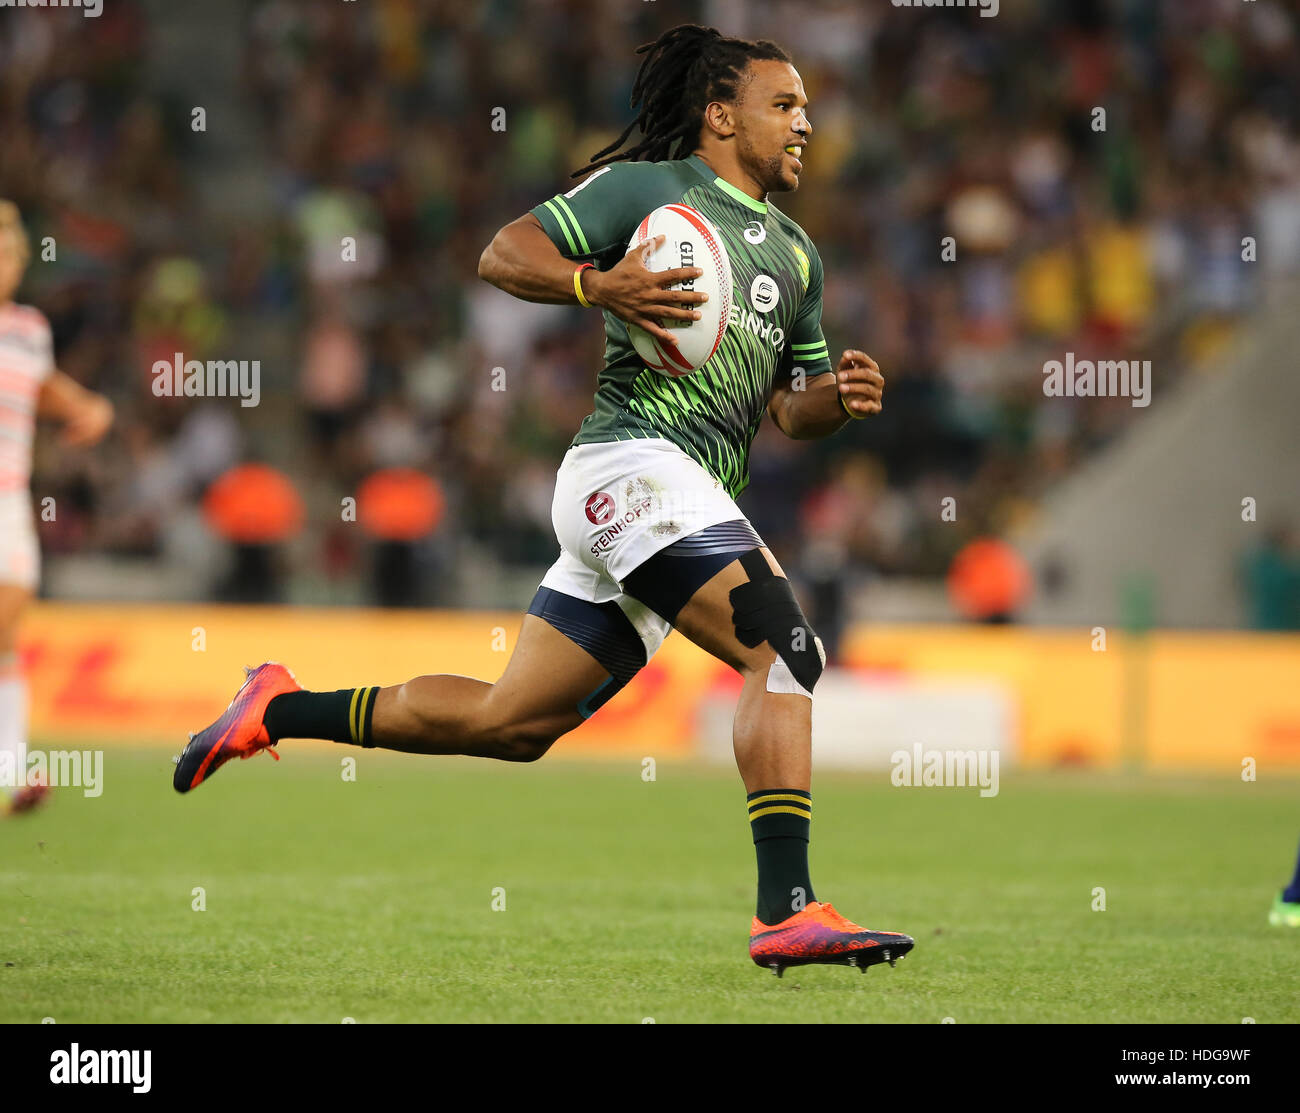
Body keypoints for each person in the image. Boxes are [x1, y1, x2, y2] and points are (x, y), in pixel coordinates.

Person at [175, 24, 912, 976]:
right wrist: (597, 284)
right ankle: (790, 907)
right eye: (786, 106)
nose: (807, 123)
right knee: (785, 648)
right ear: (723, 116)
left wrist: (835, 403)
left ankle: (274, 707)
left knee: (511, 725)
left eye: (808, 108)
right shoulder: (650, 189)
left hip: (674, 497)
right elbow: (501, 252)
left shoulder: (800, 257)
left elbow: (787, 410)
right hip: (631, 466)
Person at [0, 201, 114, 816]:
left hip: (9, 497)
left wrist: (84, 405)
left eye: (13, 253)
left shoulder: (27, 328)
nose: (6, 263)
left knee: (9, 626)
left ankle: (11, 769)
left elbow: (39, 383)